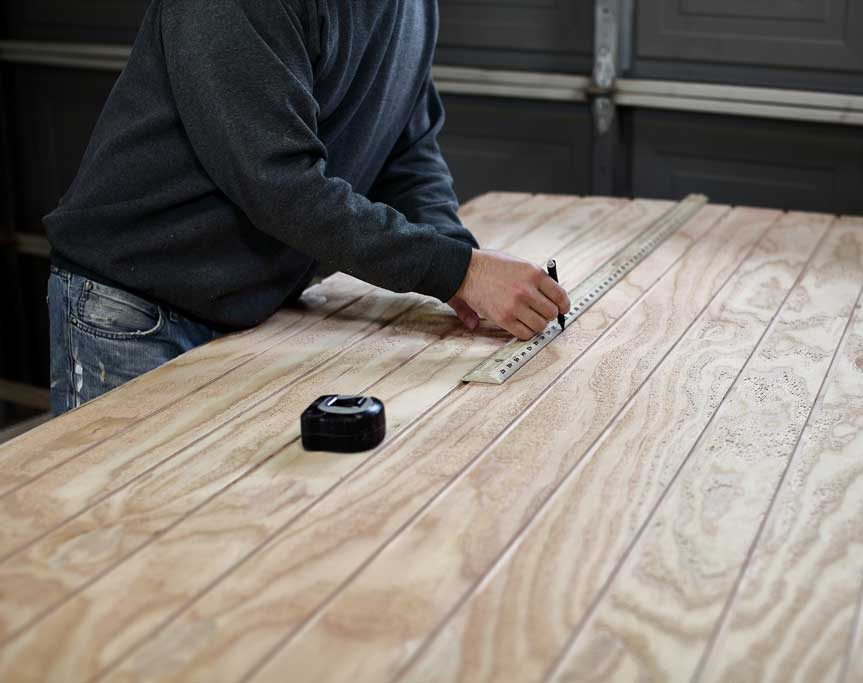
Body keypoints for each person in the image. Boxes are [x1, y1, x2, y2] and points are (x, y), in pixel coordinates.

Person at [43, 0, 570, 416]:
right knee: (120, 531)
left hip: (250, 302)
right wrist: (457, 271)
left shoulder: (410, 7)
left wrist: (458, 265)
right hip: (134, 307)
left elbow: (408, 151)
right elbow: (277, 184)